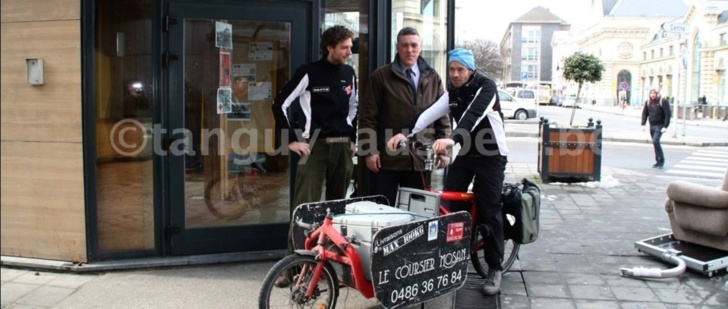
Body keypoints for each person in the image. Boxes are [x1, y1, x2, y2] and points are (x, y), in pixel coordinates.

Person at [387, 48, 509, 296]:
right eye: (451, 69)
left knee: (489, 207)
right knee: (450, 204)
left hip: (492, 155)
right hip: (466, 154)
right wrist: (406, 133)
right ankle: (453, 256)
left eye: (460, 69)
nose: (454, 74)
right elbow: (429, 113)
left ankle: (494, 267)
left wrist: (452, 139)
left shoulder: (486, 87)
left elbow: (472, 116)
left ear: (470, 69)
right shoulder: (452, 92)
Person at [271, 25, 357, 286]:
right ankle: (292, 268)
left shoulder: (349, 73)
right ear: (330, 47)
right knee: (304, 209)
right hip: (315, 147)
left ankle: (330, 266)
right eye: (344, 47)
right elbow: (280, 104)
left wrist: (352, 137)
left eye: (350, 47)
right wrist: (292, 140)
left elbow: (354, 108)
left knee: (337, 210)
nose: (349, 52)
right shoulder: (308, 72)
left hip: (342, 148)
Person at [358, 27, 451, 205]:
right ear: (397, 47)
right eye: (405, 45)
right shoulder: (381, 76)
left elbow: (443, 117)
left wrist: (444, 150)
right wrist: (369, 151)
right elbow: (368, 117)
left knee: (418, 214)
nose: (410, 50)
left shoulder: (432, 77)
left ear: (420, 47)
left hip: (421, 160)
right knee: (384, 210)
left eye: (414, 45)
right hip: (388, 160)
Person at [641, 88, 671, 169]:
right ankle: (657, 161)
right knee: (655, 143)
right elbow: (645, 114)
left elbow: (668, 114)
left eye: (654, 93)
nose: (653, 95)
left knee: (655, 141)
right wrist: (643, 124)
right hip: (652, 126)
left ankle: (661, 160)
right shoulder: (648, 102)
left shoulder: (663, 101)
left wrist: (665, 126)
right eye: (651, 93)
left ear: (657, 94)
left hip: (660, 125)